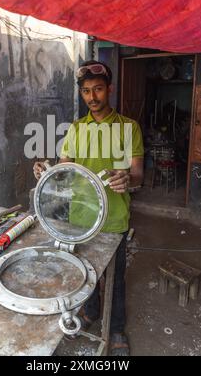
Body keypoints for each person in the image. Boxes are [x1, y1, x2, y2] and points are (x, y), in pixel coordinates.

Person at [33, 60, 144, 356]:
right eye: (86, 91)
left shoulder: (128, 128)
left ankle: (117, 326)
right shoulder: (76, 129)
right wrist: (46, 169)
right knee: (86, 271)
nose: (92, 97)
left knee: (115, 277)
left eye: (97, 89)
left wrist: (128, 178)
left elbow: (138, 173)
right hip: (80, 216)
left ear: (109, 89)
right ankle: (92, 311)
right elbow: (64, 168)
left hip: (114, 217)